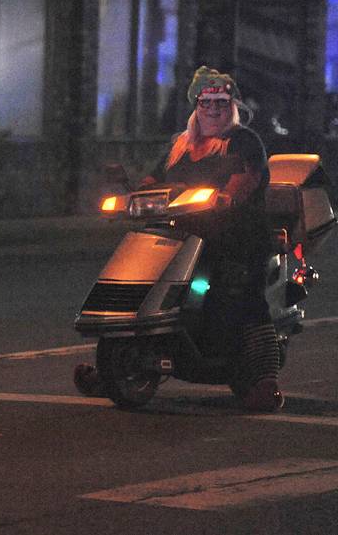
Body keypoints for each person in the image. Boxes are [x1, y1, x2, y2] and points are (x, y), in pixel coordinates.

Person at [77, 66, 281, 412]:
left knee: (237, 295)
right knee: (145, 284)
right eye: (206, 102)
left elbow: (246, 180)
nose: (213, 109)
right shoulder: (180, 144)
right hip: (180, 233)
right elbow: (152, 179)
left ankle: (264, 380)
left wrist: (226, 197)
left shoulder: (244, 141)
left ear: (231, 105)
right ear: (195, 105)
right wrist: (135, 194)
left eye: (220, 101)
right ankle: (116, 367)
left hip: (233, 237)